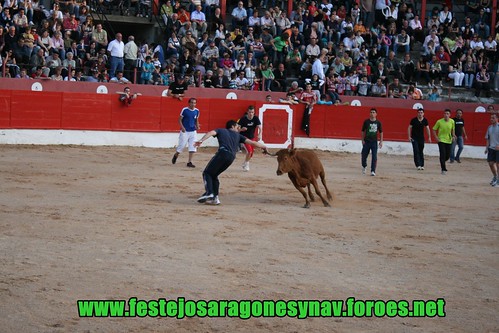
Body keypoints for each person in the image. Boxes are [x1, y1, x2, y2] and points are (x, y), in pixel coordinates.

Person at [194, 120, 269, 205]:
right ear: (232, 126)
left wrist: (201, 140)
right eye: (237, 127)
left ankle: (209, 193)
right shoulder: (238, 136)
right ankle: (215, 198)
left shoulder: (220, 130)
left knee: (207, 173)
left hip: (222, 154)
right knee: (214, 175)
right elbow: (252, 142)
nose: (238, 128)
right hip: (231, 157)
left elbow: (211, 133)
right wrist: (264, 147)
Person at [172, 98, 200, 168]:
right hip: (185, 131)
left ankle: (189, 162)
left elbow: (196, 119)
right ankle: (176, 154)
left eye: (194, 103)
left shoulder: (197, 111)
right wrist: (182, 127)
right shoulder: (185, 110)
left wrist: (197, 126)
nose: (193, 104)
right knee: (181, 146)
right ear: (189, 103)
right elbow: (179, 119)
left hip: (193, 131)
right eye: (192, 103)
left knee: (193, 146)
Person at [237, 106, 262, 172]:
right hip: (244, 138)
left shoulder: (256, 118)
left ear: (254, 113)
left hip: (252, 138)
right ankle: (247, 164)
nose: (251, 114)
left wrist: (259, 134)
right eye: (250, 112)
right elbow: (237, 129)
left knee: (251, 153)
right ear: (247, 112)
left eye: (252, 112)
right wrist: (242, 129)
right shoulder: (243, 119)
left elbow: (260, 128)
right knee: (249, 151)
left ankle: (245, 162)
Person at [432, 109, 456, 175]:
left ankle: (442, 161)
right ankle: (443, 169)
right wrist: (436, 137)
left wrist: (453, 136)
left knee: (447, 155)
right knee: (442, 154)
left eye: (447, 113)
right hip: (441, 140)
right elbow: (434, 129)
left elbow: (453, 130)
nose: (446, 115)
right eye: (445, 113)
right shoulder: (439, 121)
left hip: (449, 140)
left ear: (450, 115)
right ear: (443, 114)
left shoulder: (452, 121)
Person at [361, 108, 383, 176]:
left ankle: (373, 170)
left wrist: (381, 141)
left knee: (374, 156)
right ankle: (364, 166)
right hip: (367, 141)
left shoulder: (378, 123)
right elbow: (363, 131)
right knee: (364, 156)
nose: (372, 113)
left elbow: (381, 132)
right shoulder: (366, 122)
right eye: (371, 112)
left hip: (374, 142)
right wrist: (362, 140)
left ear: (376, 114)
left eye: (373, 112)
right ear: (369, 113)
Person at [485, 113, 499, 187]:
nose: (491, 119)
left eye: (493, 118)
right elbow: (488, 138)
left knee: (498, 164)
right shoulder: (489, 127)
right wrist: (487, 148)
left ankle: (498, 181)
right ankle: (495, 176)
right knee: (490, 164)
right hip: (491, 148)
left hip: (498, 148)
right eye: (491, 118)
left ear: (497, 119)